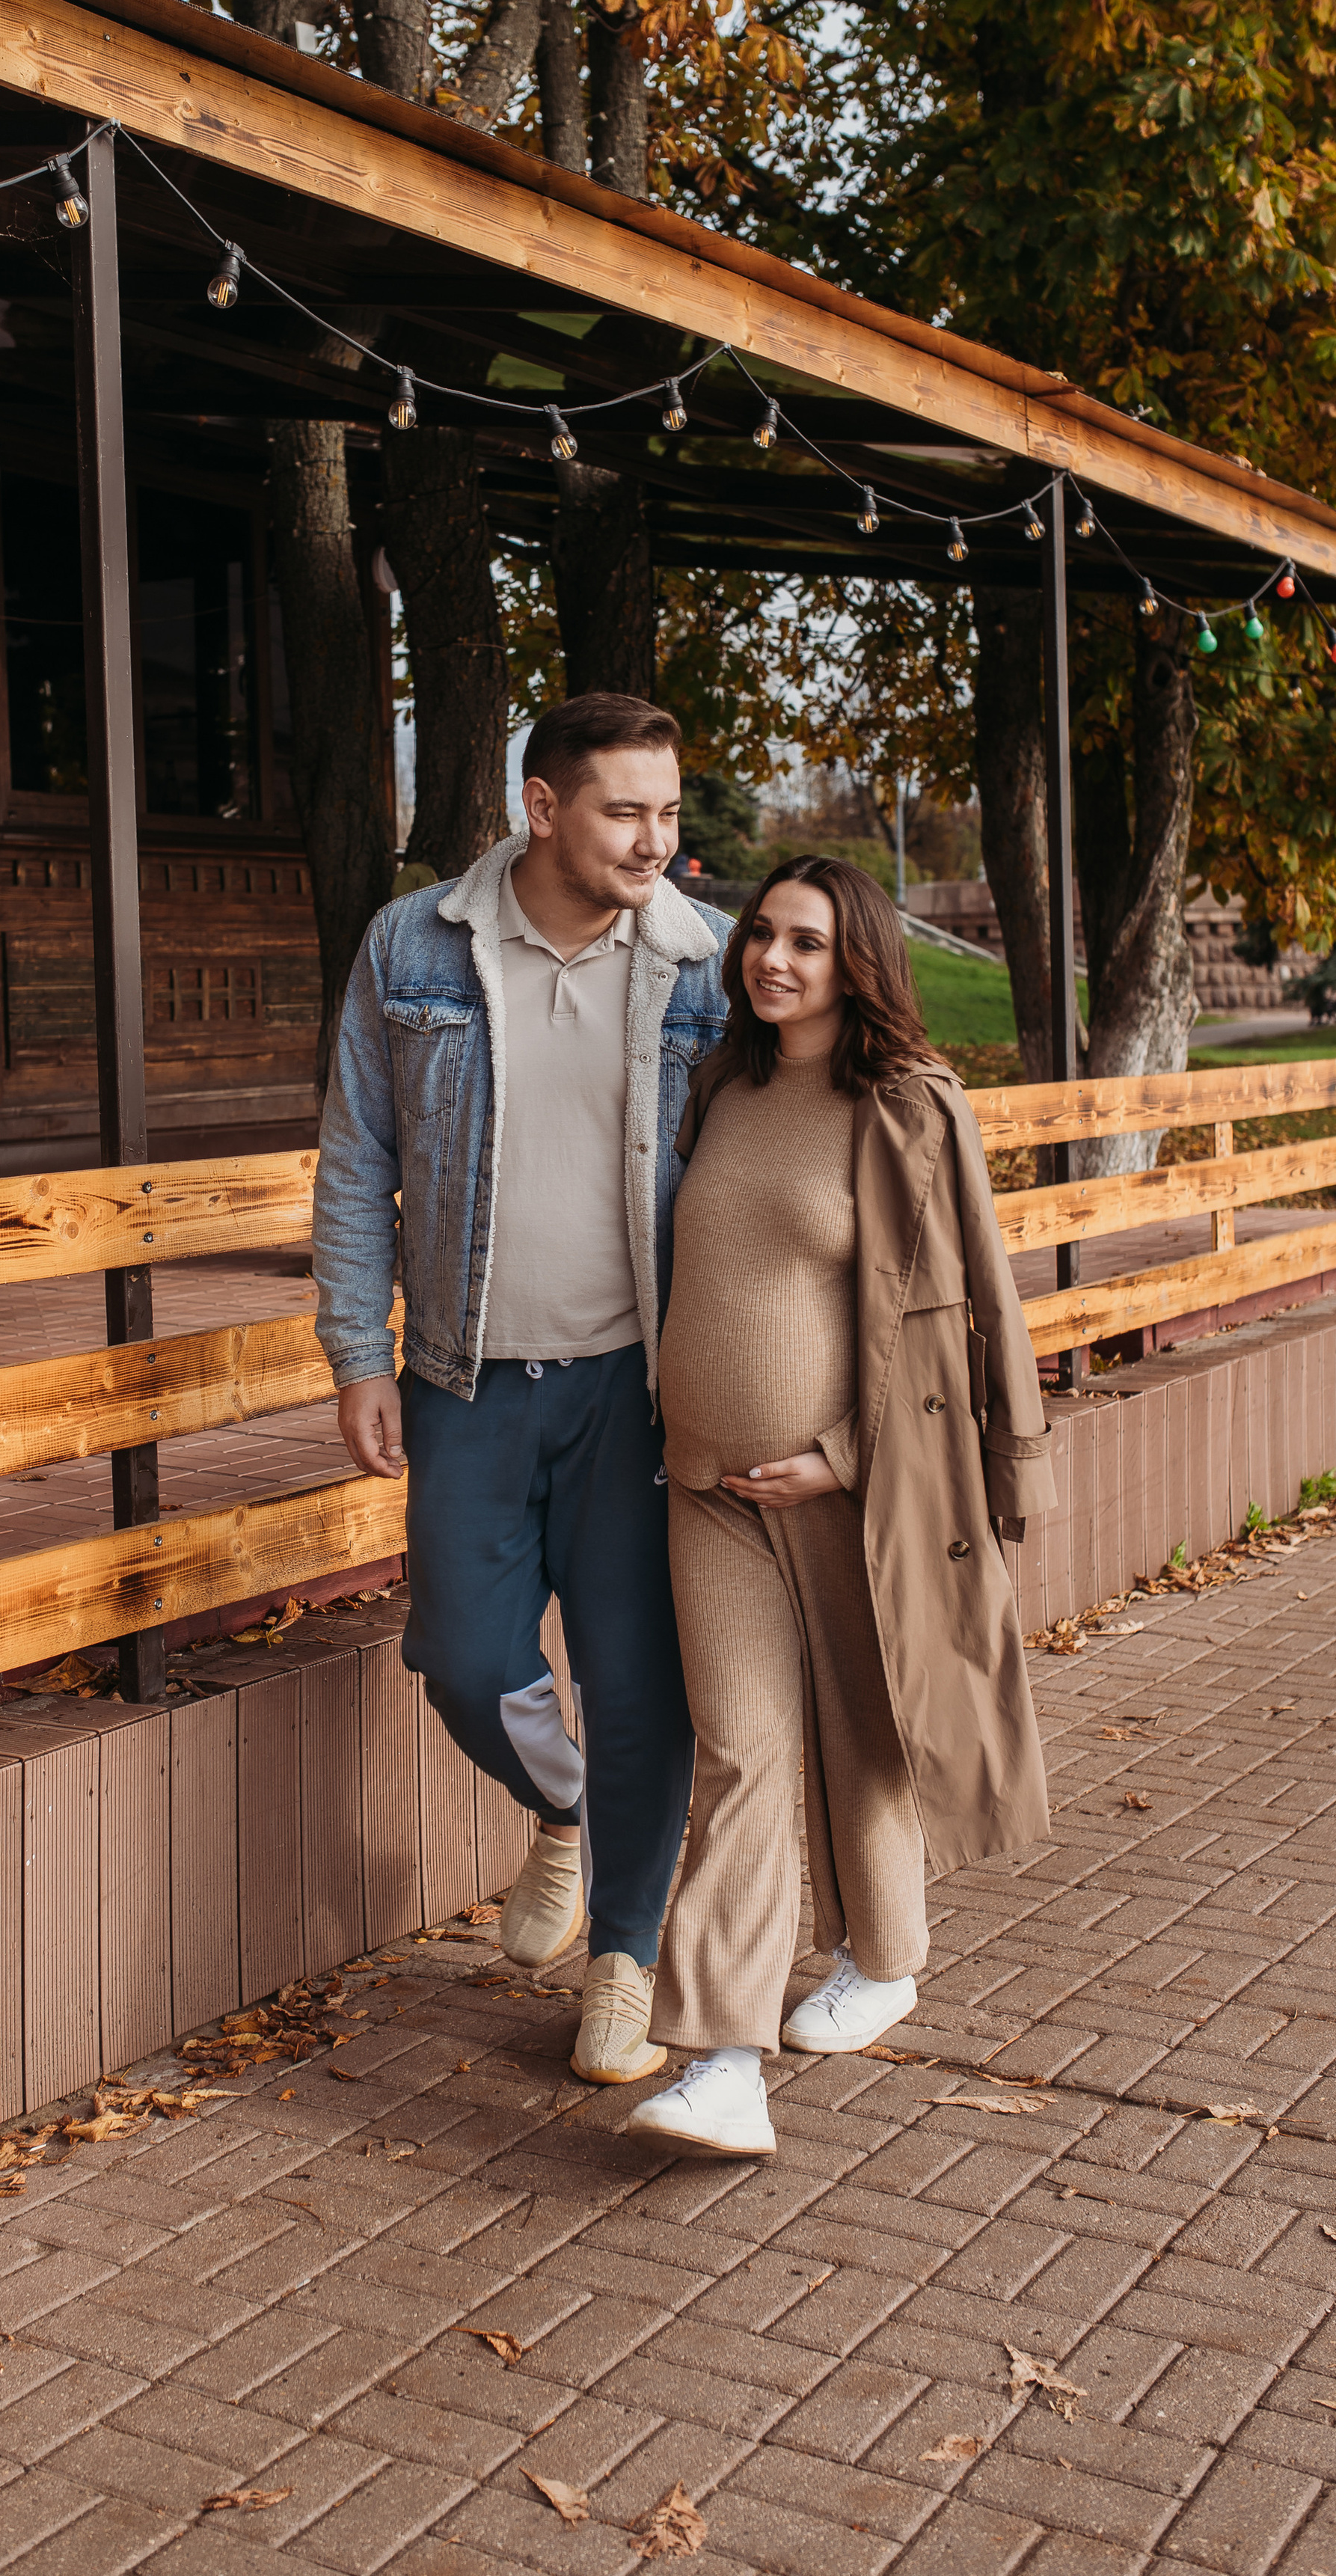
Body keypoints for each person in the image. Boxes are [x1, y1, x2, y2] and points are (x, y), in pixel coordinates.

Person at [312, 691, 732, 2084]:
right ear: (541, 808)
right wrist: (358, 1356)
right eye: (626, 811)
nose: (656, 841)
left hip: (636, 1388)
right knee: (466, 1662)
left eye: (670, 813)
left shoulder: (704, 964)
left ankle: (624, 1956)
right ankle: (564, 1812)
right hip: (466, 1382)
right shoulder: (415, 944)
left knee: (638, 1680)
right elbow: (356, 1162)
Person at [626, 854, 1057, 2158]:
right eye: (761, 935)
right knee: (743, 1751)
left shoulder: (908, 1108)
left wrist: (849, 1453)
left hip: (847, 1485)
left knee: (867, 1734)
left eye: (806, 944)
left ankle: (885, 1953)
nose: (773, 961)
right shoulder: (723, 1086)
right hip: (703, 1486)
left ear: (857, 958)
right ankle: (725, 2061)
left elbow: (971, 1303)